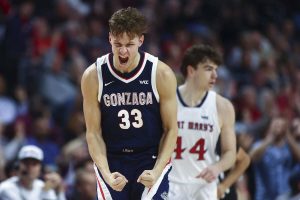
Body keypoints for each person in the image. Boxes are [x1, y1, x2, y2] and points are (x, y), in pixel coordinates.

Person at [81, 7, 178, 200]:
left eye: (129, 44)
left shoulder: (160, 73)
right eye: (118, 44)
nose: (123, 51)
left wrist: (157, 170)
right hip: (113, 159)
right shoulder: (93, 76)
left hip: (150, 157)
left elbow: (171, 129)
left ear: (141, 40)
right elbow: (93, 132)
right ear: (109, 39)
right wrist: (107, 174)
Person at [168, 44, 237, 199]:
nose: (215, 75)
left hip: (203, 185)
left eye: (216, 69)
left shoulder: (223, 107)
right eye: (208, 69)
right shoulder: (167, 102)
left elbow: (230, 153)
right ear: (191, 71)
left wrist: (218, 167)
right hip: (170, 183)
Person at [0, 145, 66, 200]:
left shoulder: (44, 187)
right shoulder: (7, 188)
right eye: (26, 163)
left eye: (34, 164)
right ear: (18, 166)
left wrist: (59, 191)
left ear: (40, 168)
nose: (30, 167)